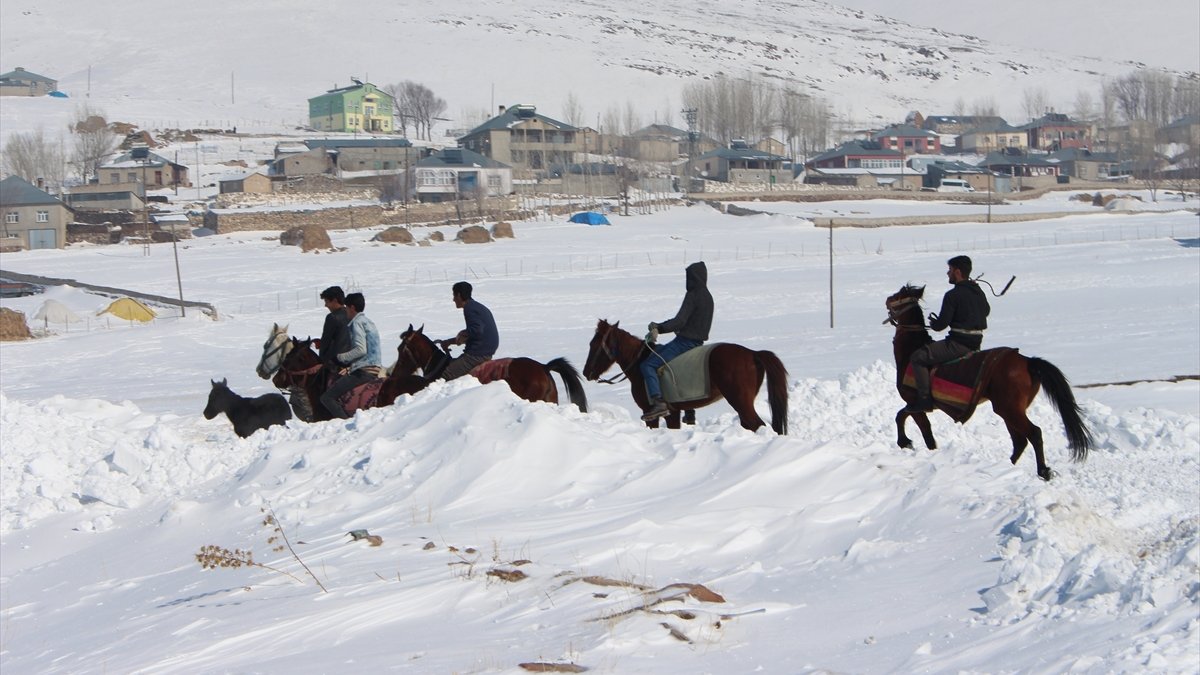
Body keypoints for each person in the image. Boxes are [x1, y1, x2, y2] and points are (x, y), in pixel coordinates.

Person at [906, 255, 991, 413]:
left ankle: (924, 401)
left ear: (958, 272)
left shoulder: (952, 295)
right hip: (976, 342)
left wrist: (934, 323)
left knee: (917, 358)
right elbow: (986, 311)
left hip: (958, 344)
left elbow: (941, 326)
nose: (948, 273)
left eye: (950, 270)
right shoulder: (978, 291)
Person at [640, 261, 714, 421]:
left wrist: (658, 328)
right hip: (697, 344)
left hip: (684, 342)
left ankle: (658, 403)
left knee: (648, 365)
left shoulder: (693, 295)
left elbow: (680, 321)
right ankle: (689, 412)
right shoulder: (708, 297)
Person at [320, 292, 383, 419]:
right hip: (376, 368)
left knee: (327, 397)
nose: (346, 312)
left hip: (363, 371)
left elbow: (360, 350)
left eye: (347, 308)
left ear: (352, 308)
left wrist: (339, 358)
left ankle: (345, 424)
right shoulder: (369, 322)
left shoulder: (356, 323)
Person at [436, 281, 499, 381]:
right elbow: (475, 332)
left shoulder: (469, 308)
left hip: (477, 354)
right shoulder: (477, 306)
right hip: (484, 352)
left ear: (459, 295)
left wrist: (462, 334)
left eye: (454, 296)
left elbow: (477, 331)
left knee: (445, 376)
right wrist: (451, 341)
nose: (453, 300)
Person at [317, 286, 351, 376]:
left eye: (327, 301)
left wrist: (320, 361)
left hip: (336, 364)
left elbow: (325, 342)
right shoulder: (352, 315)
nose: (325, 305)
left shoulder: (332, 317)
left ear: (335, 300)